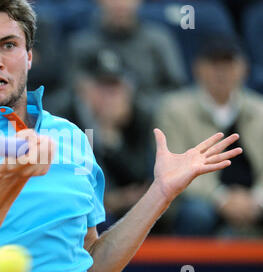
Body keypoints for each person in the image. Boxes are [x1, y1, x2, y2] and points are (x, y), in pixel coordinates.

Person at [0, 0, 242, 272]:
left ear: (29, 54)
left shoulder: (73, 138)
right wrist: (11, 175)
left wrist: (160, 194)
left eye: (8, 45)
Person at [157, 34, 263, 237]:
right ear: (197, 68)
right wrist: (221, 198)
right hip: (201, 198)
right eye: (213, 63)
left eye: (228, 63)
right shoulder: (174, 109)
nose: (221, 71)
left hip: (254, 196)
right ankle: (187, 267)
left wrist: (257, 198)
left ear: (244, 68)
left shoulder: (260, 110)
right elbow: (174, 168)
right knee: (197, 214)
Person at [63, 45, 153, 232]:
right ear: (83, 89)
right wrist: (110, 198)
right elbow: (66, 181)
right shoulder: (63, 116)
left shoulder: (139, 116)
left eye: (115, 87)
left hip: (127, 206)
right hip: (79, 208)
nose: (109, 96)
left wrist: (113, 140)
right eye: (102, 86)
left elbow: (140, 176)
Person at [67, 0, 187, 113]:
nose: (120, 3)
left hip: (149, 121)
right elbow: (71, 92)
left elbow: (177, 92)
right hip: (94, 120)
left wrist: (135, 105)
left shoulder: (158, 40)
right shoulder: (81, 44)